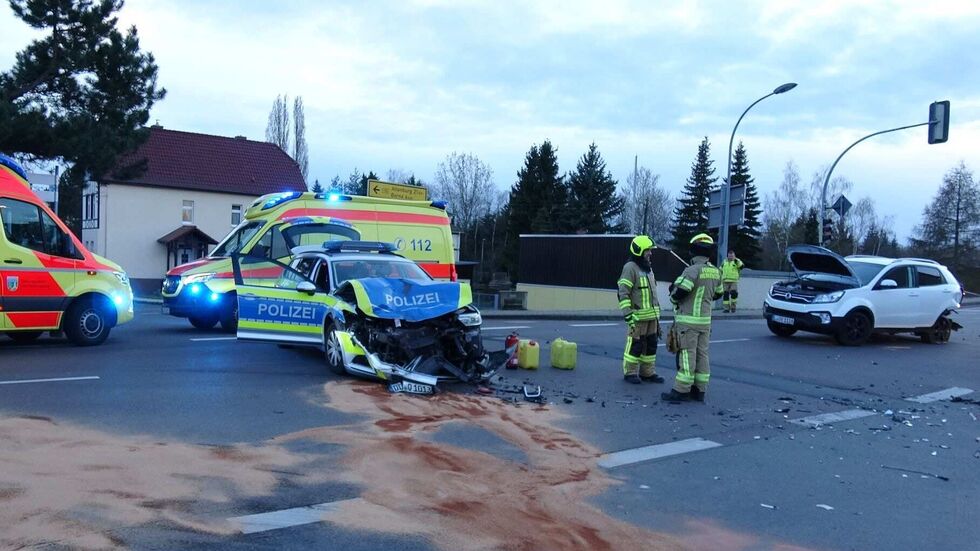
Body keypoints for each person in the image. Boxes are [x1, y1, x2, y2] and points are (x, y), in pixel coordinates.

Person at [662, 233, 723, 403]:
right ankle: (699, 390)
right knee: (702, 354)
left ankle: (681, 391)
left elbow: (680, 292)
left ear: (693, 251)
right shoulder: (715, 271)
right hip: (705, 322)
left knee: (687, 355)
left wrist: (673, 294)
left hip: (688, 322)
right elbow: (719, 294)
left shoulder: (692, 270)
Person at [617, 235, 663, 385]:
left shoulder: (648, 267)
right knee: (636, 345)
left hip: (651, 317)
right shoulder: (630, 267)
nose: (650, 253)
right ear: (639, 251)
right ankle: (630, 373)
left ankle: (647, 373)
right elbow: (623, 292)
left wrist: (657, 316)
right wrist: (628, 314)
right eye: (647, 250)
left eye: (650, 250)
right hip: (637, 317)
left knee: (650, 345)